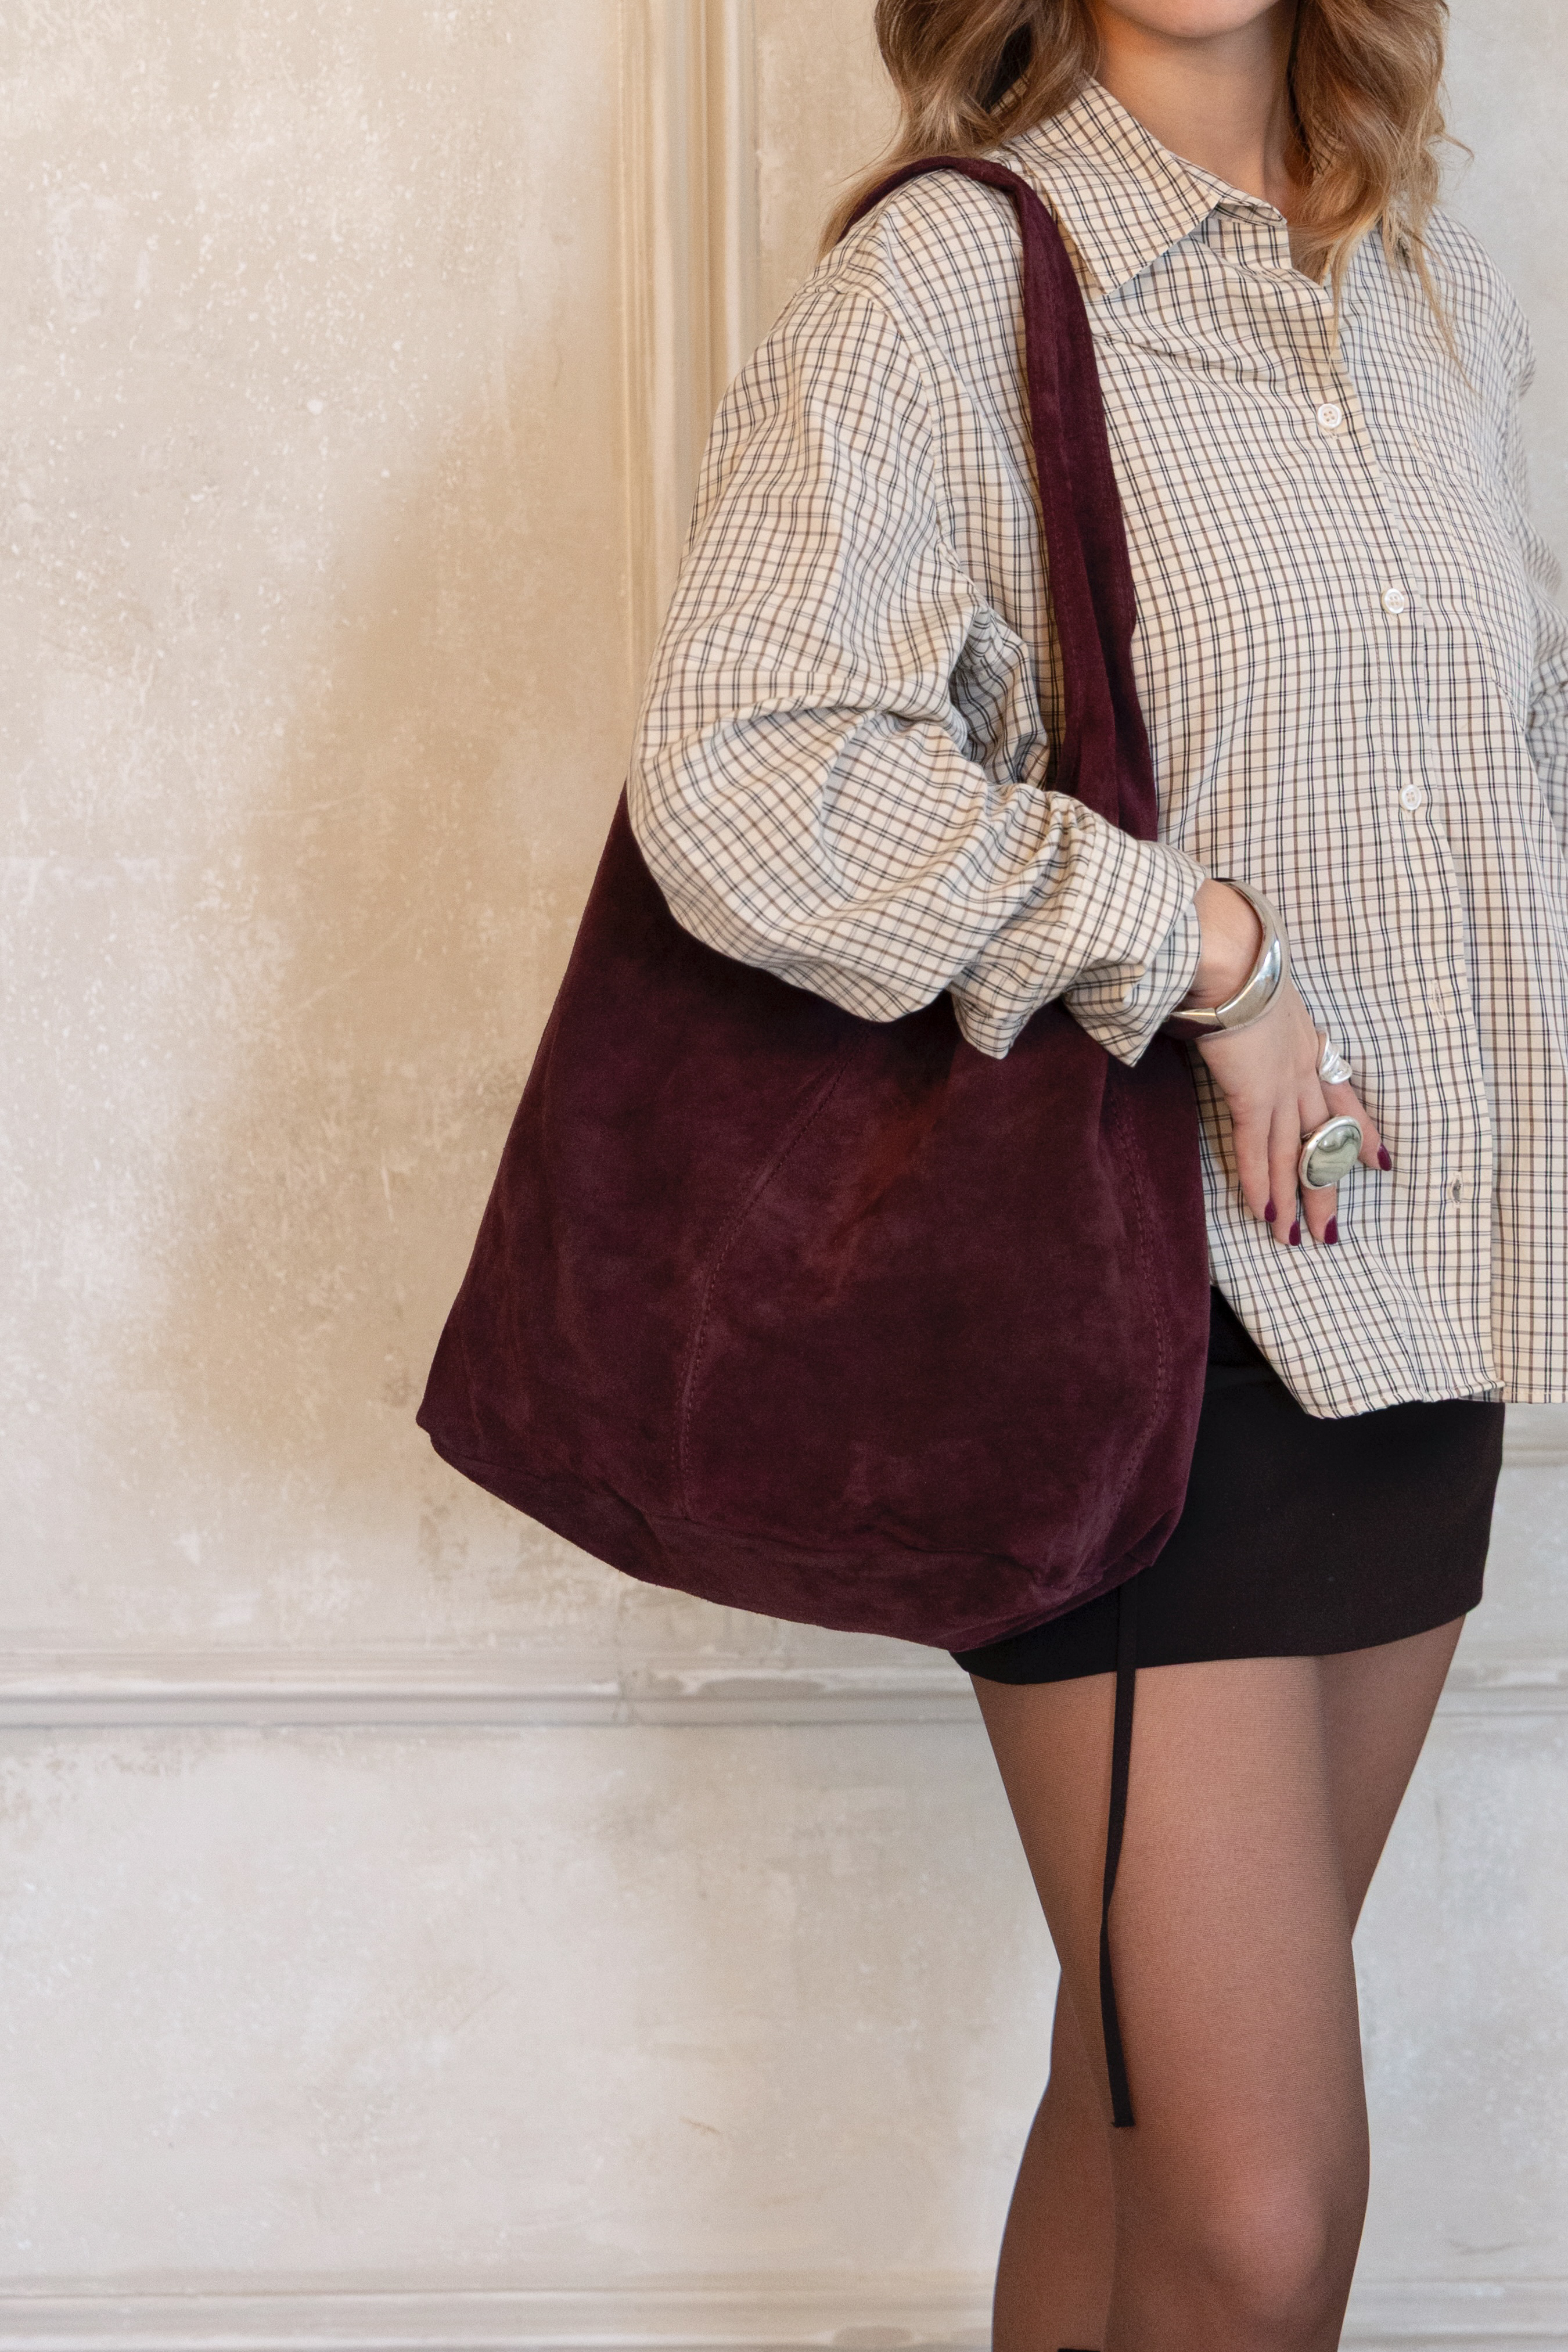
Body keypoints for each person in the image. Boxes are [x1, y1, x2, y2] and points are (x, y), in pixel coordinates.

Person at [627, 1, 1568, 2344]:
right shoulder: (960, 274)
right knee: (1258, 2211)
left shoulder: (1422, 275)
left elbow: (1516, 744)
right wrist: (1202, 949)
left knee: (1138, 2108)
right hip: (1138, 1332)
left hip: (1410, 1304)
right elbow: (741, 768)